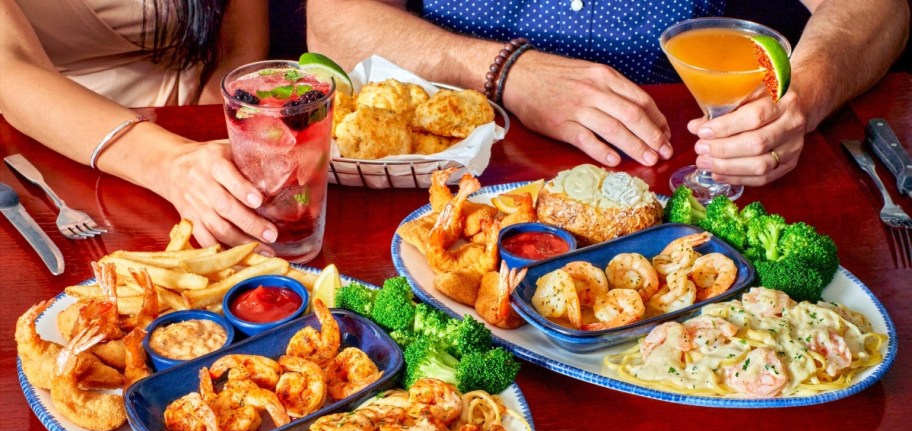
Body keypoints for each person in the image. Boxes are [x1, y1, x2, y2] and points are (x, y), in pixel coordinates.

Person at [306, 0, 909, 187]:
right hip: (449, 173)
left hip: (679, 162)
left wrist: (799, 96)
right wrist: (507, 72)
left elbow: (878, 7)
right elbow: (332, 19)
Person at [0, 0, 278, 251]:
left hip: (199, 135)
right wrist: (170, 163)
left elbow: (236, 52)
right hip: (56, 152)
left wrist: (216, 153)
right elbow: (9, 67)